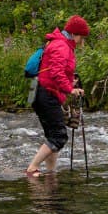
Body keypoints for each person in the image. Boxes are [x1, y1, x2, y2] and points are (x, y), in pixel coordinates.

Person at [25, 15, 90, 177]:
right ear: (75, 34)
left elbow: (55, 70)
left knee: (52, 136)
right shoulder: (62, 46)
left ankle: (51, 173)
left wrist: (72, 83)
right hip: (46, 94)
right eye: (82, 37)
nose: (82, 42)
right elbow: (56, 72)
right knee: (59, 137)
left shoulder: (60, 43)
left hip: (41, 92)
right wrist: (70, 89)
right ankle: (32, 168)